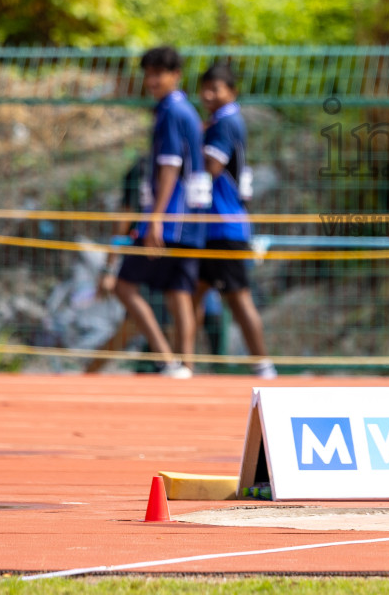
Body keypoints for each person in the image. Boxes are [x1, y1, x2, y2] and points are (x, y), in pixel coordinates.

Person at [114, 46, 208, 380]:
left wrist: (155, 216)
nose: (152, 80)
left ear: (175, 75)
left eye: (159, 73)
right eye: (149, 74)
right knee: (178, 290)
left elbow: (170, 165)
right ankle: (186, 365)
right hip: (191, 219)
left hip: (169, 219)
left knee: (124, 285)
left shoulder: (171, 111)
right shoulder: (187, 111)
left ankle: (168, 359)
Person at [194, 61, 276, 380]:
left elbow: (212, 166)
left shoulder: (225, 123)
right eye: (205, 88)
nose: (208, 94)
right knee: (192, 294)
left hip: (225, 226)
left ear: (232, 91)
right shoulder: (219, 121)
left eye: (216, 88)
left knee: (238, 298)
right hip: (211, 226)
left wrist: (189, 143)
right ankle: (181, 361)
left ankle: (263, 364)